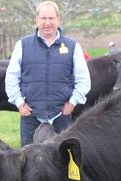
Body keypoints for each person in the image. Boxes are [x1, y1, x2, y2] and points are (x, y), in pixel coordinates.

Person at [5, 1, 91, 147]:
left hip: (61, 117)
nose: (47, 22)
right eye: (44, 18)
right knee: (28, 161)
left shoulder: (73, 46)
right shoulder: (22, 45)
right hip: (30, 117)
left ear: (58, 19)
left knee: (60, 163)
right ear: (36, 20)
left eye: (51, 18)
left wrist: (72, 103)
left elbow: (84, 81)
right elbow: (11, 78)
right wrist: (19, 104)